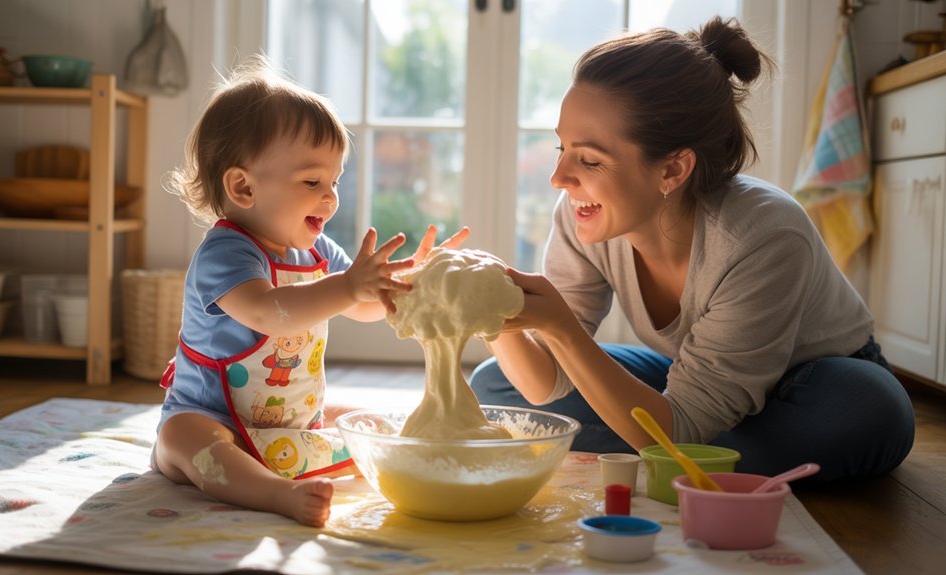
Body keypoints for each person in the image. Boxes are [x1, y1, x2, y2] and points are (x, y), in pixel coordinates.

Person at [470, 17, 914, 481]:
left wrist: (563, 328)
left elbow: (674, 422)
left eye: (589, 159)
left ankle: (678, 448)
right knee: (496, 384)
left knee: (870, 411)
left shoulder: (764, 234)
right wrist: (493, 313)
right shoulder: (582, 210)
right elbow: (544, 384)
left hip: (813, 382)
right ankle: (706, 456)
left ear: (673, 170)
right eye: (561, 149)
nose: (559, 178)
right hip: (698, 377)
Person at [153, 56, 467, 527]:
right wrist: (347, 285)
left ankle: (403, 455)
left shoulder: (316, 250)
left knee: (369, 419)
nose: (331, 196)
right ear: (242, 187)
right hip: (215, 421)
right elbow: (268, 312)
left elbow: (361, 307)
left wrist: (409, 284)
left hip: (292, 425)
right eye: (312, 181)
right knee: (187, 440)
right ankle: (276, 493)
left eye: (335, 181)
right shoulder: (226, 254)